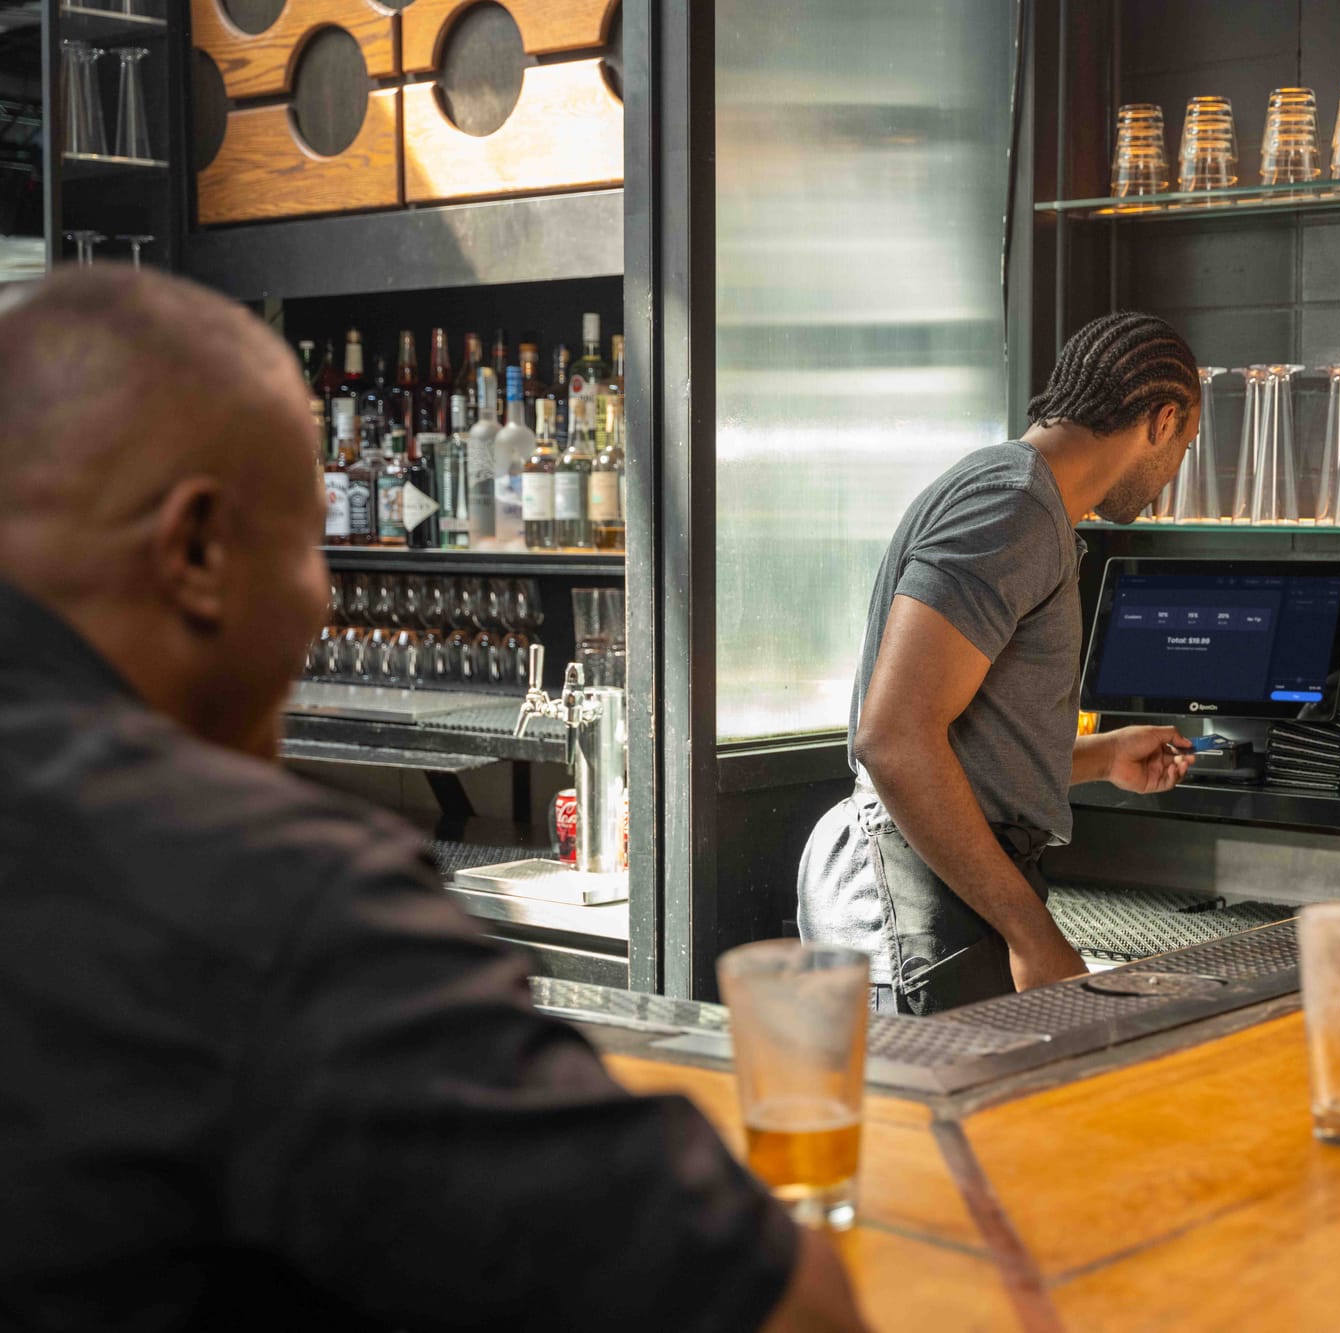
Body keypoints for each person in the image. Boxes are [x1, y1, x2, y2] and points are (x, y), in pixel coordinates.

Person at [0, 268, 866, 1332]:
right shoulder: (272, 899)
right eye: (309, 541)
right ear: (197, 550)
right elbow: (786, 1309)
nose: (321, 596)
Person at [797, 313, 1203, 1015]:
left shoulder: (1022, 502)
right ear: (1163, 421)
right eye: (1186, 445)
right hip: (912, 895)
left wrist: (1100, 756)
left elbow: (959, 742)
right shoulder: (1012, 506)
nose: (1174, 471)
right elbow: (893, 738)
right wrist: (1031, 933)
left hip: (935, 886)